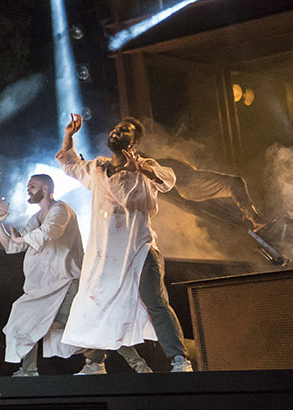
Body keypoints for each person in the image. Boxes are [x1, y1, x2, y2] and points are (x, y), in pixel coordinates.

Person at [56, 113, 194, 373]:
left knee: (154, 301)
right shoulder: (98, 167)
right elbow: (71, 164)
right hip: (106, 254)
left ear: (134, 142)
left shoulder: (144, 168)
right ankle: (94, 363)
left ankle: (179, 360)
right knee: (96, 301)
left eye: (124, 130)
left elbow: (168, 180)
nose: (116, 133)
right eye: (116, 129)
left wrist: (141, 168)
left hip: (138, 249)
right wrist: (68, 136)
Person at [0, 175, 82, 377]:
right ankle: (29, 371)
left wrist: (21, 238)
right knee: (23, 322)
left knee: (76, 325)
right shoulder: (36, 218)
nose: (28, 190)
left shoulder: (61, 210)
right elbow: (12, 247)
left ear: (46, 188)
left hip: (67, 282)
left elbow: (51, 232)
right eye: (28, 187)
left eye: (32, 186)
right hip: (42, 288)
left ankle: (100, 360)